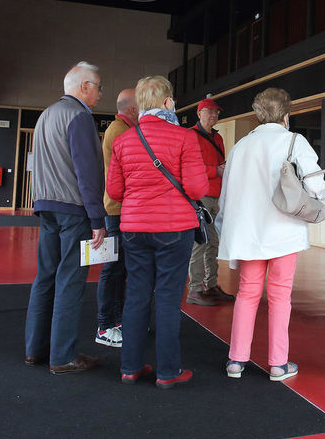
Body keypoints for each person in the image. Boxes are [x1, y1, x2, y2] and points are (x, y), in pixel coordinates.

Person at [217, 88, 325, 381]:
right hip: (284, 232)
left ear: (258, 114)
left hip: (249, 232)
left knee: (247, 293)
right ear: (286, 114)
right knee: (280, 296)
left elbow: (226, 193)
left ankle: (236, 361)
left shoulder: (241, 146)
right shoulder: (294, 141)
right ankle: (278, 364)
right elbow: (318, 187)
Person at [106, 75, 207, 388]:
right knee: (166, 298)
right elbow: (197, 187)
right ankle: (168, 371)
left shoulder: (123, 140)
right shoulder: (185, 138)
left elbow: (114, 190)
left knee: (135, 296)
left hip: (134, 229)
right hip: (174, 230)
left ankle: (130, 368)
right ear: (168, 102)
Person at [24, 63, 108, 374]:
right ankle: (62, 356)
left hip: (46, 206)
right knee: (70, 280)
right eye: (98, 86)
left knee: (45, 277)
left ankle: (36, 350)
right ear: (84, 87)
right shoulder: (80, 117)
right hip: (74, 210)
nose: (100, 92)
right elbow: (87, 173)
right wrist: (97, 218)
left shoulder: (46, 114)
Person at [96, 87, 137, 347]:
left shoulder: (119, 129)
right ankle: (106, 325)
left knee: (119, 269)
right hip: (117, 210)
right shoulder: (120, 131)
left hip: (119, 209)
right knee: (113, 269)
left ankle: (116, 321)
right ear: (132, 109)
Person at [186, 97, 234, 306]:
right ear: (199, 113)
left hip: (216, 196)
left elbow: (222, 163)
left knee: (213, 242)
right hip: (200, 196)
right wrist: (216, 171)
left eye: (217, 112)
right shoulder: (189, 136)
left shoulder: (218, 138)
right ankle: (195, 289)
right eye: (210, 111)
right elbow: (188, 168)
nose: (214, 115)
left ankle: (211, 285)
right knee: (200, 243)